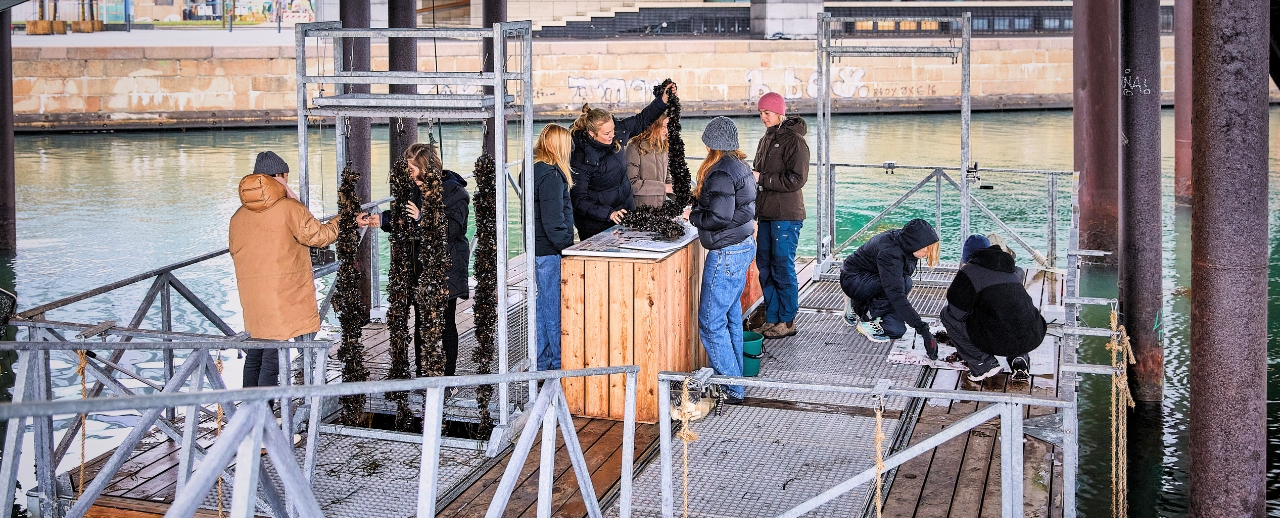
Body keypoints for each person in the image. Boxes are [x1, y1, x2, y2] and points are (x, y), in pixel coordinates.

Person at [229, 151, 378, 389]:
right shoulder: (289, 208)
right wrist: (346, 219)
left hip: (252, 296)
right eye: (286, 177)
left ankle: (247, 407)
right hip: (282, 295)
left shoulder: (237, 216)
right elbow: (319, 236)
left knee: (255, 353)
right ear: (279, 176)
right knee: (273, 357)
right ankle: (263, 410)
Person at [381, 142, 470, 377]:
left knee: (446, 323)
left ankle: (447, 379)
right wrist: (380, 220)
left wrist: (422, 218)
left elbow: (451, 230)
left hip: (447, 268)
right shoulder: (414, 189)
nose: (410, 174)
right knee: (421, 322)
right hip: (420, 269)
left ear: (425, 167)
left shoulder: (455, 193)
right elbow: (402, 217)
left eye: (412, 169)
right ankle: (422, 374)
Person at [687, 117, 757, 405]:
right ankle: (736, 379)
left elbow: (719, 216)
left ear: (711, 144)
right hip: (742, 246)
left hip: (726, 251)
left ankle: (731, 389)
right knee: (730, 317)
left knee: (710, 322)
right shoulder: (741, 166)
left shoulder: (719, 172)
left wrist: (692, 216)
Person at [569, 82, 677, 239]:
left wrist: (662, 100)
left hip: (624, 214)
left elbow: (642, 119)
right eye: (607, 133)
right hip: (595, 225)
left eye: (613, 130)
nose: (612, 135)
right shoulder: (580, 158)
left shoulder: (617, 133)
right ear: (592, 134)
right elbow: (579, 200)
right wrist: (609, 213)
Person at [940, 239, 1046, 383]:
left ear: (967, 258)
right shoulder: (1012, 269)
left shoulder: (969, 271)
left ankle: (983, 364)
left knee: (947, 315)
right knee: (1011, 313)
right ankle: (1019, 356)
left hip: (999, 341)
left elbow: (957, 313)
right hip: (1034, 334)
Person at [751, 92, 810, 340]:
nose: (763, 117)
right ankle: (772, 318)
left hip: (786, 215)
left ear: (779, 112)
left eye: (767, 112)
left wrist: (761, 178)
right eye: (760, 113)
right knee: (765, 266)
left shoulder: (795, 141)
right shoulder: (766, 139)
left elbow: (797, 179)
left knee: (782, 266)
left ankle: (787, 321)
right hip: (766, 213)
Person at [839, 219, 940, 354]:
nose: (927, 254)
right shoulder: (890, 253)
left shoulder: (905, 243)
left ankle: (859, 303)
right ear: (914, 243)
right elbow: (896, 293)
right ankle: (866, 318)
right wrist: (923, 329)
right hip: (853, 280)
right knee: (904, 283)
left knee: (896, 330)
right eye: (925, 249)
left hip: (873, 277)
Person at [532, 124, 576, 371]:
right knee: (553, 309)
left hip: (540, 248)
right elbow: (553, 221)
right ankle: (559, 362)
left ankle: (541, 361)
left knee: (543, 307)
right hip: (550, 250)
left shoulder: (535, 170)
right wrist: (567, 247)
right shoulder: (551, 176)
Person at [626, 114, 672, 208]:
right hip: (640, 210)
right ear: (652, 127)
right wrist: (663, 187)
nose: (666, 131)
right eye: (663, 127)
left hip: (660, 209)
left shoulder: (663, 147)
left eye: (667, 127)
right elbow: (631, 184)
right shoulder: (634, 148)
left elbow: (667, 179)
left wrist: (681, 196)